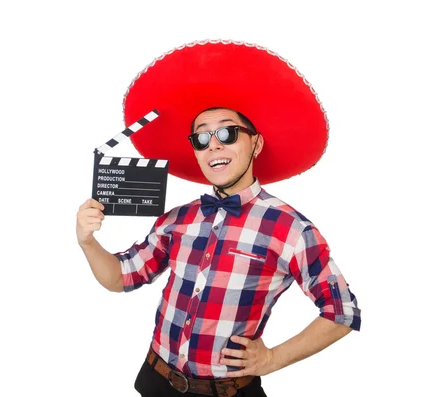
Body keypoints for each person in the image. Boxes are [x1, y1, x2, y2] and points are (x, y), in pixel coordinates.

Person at [77, 41, 361, 397]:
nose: (213, 145)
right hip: (155, 382)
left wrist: (272, 359)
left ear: (255, 145)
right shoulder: (177, 220)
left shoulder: (290, 229)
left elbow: (342, 312)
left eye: (226, 133)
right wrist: (88, 241)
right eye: (201, 137)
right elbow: (121, 277)